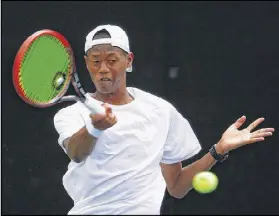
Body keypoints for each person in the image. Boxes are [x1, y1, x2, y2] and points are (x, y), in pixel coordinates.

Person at [53, 24, 274, 215]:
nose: (103, 69)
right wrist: (94, 127)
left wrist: (219, 150)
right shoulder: (71, 115)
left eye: (112, 59)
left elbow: (177, 187)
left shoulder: (160, 111)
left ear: (128, 60)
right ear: (86, 63)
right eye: (95, 61)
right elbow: (76, 153)